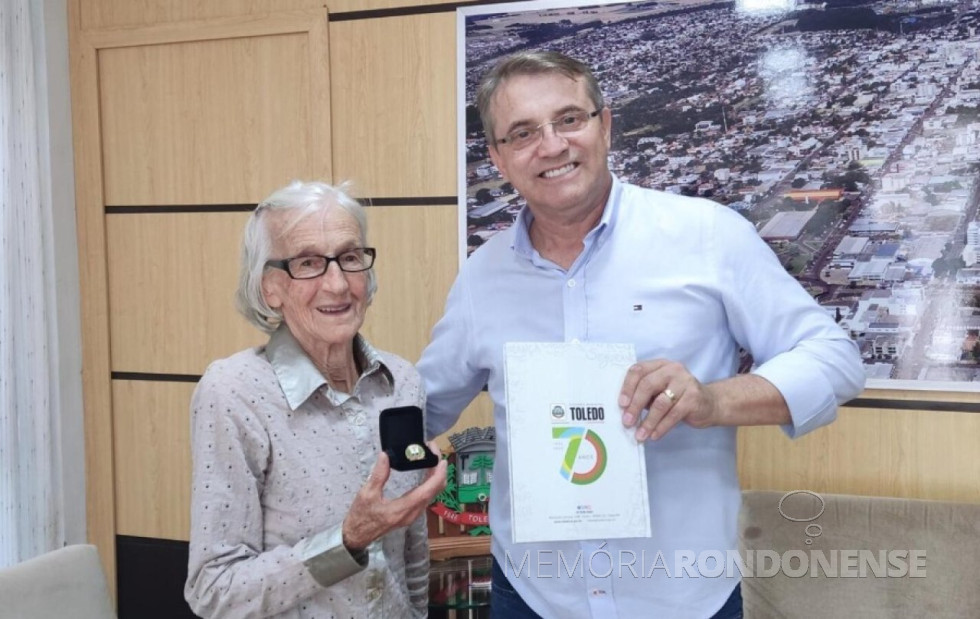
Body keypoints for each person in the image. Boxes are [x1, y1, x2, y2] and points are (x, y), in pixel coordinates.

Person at [418, 51, 866, 618]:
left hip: (683, 594)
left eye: (569, 119)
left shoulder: (706, 234)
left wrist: (711, 399)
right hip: (533, 595)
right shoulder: (483, 277)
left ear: (605, 125)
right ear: (499, 158)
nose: (551, 146)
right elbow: (423, 405)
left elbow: (836, 360)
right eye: (523, 133)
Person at [184, 180, 447, 618]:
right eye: (308, 263)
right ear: (270, 288)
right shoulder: (234, 393)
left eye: (349, 257)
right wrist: (347, 541)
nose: (338, 284)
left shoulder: (401, 382)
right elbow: (215, 590)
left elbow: (412, 554)